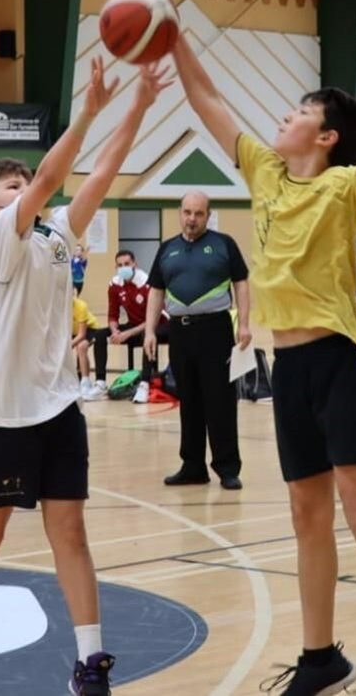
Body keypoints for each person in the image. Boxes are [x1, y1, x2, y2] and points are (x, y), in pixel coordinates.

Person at [169, 0, 356, 695]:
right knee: (303, 510)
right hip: (286, 365)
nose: (282, 119)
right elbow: (207, 100)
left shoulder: (346, 184)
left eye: (298, 114)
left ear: (325, 137)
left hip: (340, 360)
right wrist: (173, 35)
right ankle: (321, 655)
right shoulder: (262, 171)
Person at [0, 57, 168, 696]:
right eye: (13, 185)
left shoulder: (55, 235)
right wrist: (87, 107)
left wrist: (138, 106)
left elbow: (99, 175)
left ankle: (90, 662)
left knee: (71, 531)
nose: (28, 186)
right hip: (3, 411)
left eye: (24, 183)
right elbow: (55, 173)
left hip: (59, 407)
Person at [145, 191, 252, 490]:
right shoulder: (167, 250)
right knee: (188, 401)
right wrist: (150, 331)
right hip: (180, 332)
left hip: (215, 330)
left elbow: (241, 283)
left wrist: (244, 324)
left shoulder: (223, 245)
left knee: (219, 400)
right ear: (180, 213)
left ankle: (227, 467)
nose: (192, 219)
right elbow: (156, 291)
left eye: (198, 213)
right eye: (187, 212)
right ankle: (193, 466)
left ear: (208, 215)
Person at [107, 250, 167, 404]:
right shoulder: (115, 284)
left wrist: (126, 334)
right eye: (119, 265)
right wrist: (115, 331)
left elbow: (152, 318)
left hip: (159, 323)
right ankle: (99, 383)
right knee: (101, 335)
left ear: (135, 264)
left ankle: (144, 384)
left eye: (127, 264)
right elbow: (112, 314)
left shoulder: (146, 282)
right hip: (134, 324)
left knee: (146, 335)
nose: (123, 268)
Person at [71, 295, 110, 399]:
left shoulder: (80, 306)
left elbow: (82, 334)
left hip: (90, 329)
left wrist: (69, 344)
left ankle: (85, 382)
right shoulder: (57, 307)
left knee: (81, 346)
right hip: (73, 331)